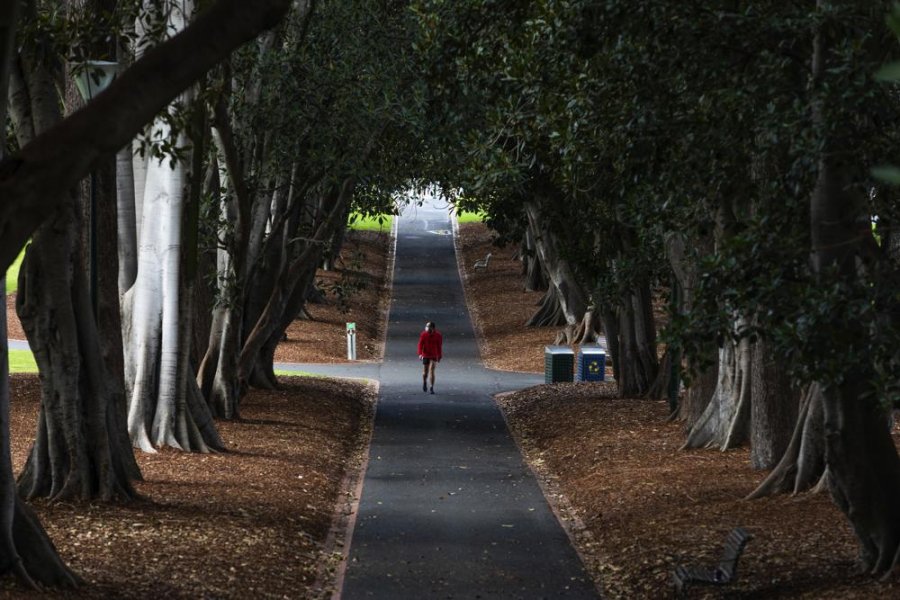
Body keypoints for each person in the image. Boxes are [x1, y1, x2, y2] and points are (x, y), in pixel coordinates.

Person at [417, 321, 443, 394]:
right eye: (427, 327)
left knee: (432, 370)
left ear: (433, 328)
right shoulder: (423, 334)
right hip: (426, 355)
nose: (427, 328)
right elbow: (420, 344)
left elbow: (439, 346)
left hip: (434, 355)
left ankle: (431, 386)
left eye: (429, 327)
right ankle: (424, 382)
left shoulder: (438, 335)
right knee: (425, 372)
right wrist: (420, 354)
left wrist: (440, 355)